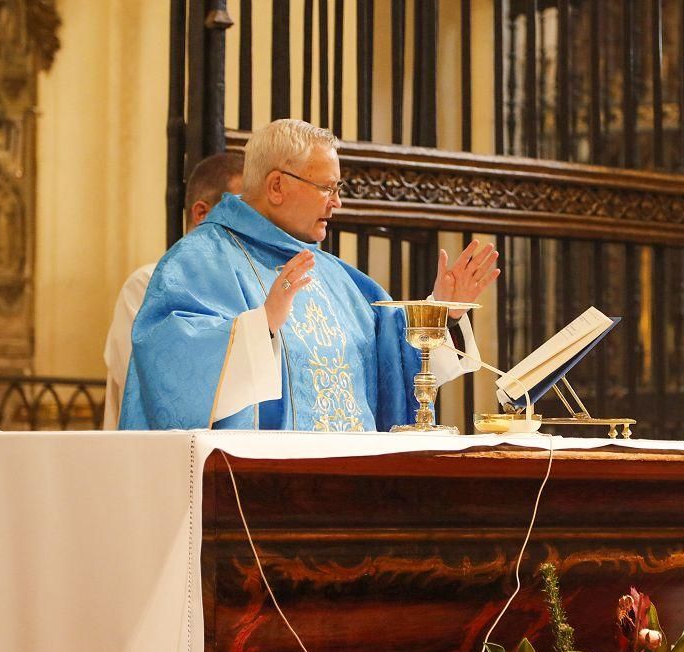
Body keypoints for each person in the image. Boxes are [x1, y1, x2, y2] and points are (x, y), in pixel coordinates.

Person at [119, 120, 498, 431]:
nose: (337, 202)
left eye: (338, 188)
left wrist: (441, 314)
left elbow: (393, 361)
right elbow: (167, 364)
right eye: (327, 188)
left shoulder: (338, 278)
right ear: (277, 186)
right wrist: (261, 326)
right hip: (252, 500)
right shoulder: (199, 262)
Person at [102, 152, 245, 429]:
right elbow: (157, 387)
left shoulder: (246, 287)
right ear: (202, 214)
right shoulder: (145, 285)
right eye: (240, 214)